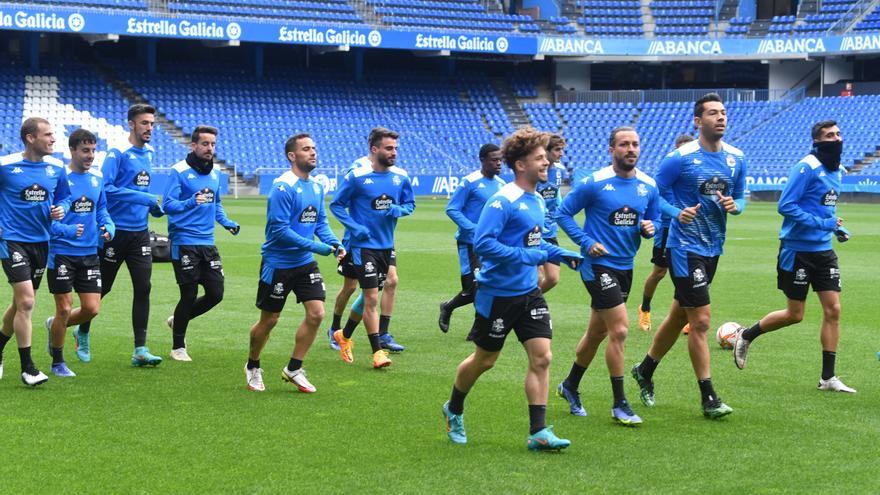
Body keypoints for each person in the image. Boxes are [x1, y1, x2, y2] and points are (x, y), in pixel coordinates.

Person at [441, 128, 581, 450]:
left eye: (546, 156)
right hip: (497, 295)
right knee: (485, 360)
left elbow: (535, 242)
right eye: (540, 157)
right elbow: (484, 243)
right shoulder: (503, 200)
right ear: (520, 164)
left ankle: (539, 432)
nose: (547, 162)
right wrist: (526, 255)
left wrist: (561, 254)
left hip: (529, 291)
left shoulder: (535, 201)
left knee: (542, 357)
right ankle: (454, 408)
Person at [630, 93, 746, 419]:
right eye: (712, 113)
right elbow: (656, 194)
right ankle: (709, 397)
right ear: (698, 121)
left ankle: (645, 369)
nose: (720, 117)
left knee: (680, 315)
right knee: (701, 321)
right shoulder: (679, 158)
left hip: (713, 247)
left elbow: (740, 196)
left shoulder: (736, 158)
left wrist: (736, 206)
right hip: (683, 247)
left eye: (723, 112)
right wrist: (675, 212)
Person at [733, 120, 856, 393]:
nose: (836, 139)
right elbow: (785, 206)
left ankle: (828, 378)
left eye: (838, 134)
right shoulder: (806, 167)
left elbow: (825, 213)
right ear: (817, 141)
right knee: (795, 314)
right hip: (796, 250)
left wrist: (837, 229)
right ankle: (747, 335)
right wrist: (824, 224)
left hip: (823, 251)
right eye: (829, 135)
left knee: (833, 310)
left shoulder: (838, 171)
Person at [555, 127, 660, 425]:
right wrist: (586, 243)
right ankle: (620, 403)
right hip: (597, 266)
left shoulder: (648, 186)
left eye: (635, 144)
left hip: (625, 266)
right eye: (624, 144)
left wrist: (649, 228)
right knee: (620, 331)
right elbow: (563, 213)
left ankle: (570, 385)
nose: (631, 149)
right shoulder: (594, 183)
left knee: (597, 333)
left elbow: (655, 220)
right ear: (611, 149)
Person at [244, 133, 343, 393]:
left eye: (314, 148)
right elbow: (279, 231)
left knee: (317, 313)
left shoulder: (317, 186)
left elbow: (320, 222)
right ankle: (253, 366)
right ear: (292, 156)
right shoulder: (283, 187)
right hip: (278, 263)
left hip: (304, 263)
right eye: (306, 149)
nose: (313, 153)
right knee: (270, 320)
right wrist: (317, 247)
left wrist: (335, 244)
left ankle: (294, 368)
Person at [76, 104, 164, 366]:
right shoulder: (117, 153)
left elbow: (140, 191)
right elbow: (108, 189)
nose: (149, 128)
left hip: (140, 234)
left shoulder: (148, 153)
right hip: (114, 233)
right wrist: (143, 197)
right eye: (144, 123)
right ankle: (81, 331)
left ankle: (140, 349)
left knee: (144, 287)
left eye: (152, 123)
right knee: (102, 288)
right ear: (131, 124)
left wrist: (152, 207)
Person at [329, 128, 415, 369]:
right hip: (361, 246)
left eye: (396, 148)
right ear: (374, 149)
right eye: (389, 148)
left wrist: (401, 210)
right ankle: (377, 351)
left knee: (370, 297)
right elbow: (336, 205)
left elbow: (410, 203)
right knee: (370, 298)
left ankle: (343, 336)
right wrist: (354, 227)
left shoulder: (401, 177)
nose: (394, 153)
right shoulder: (357, 177)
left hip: (385, 246)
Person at [0, 117, 70, 386]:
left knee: (20, 303)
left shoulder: (56, 168)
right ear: (31, 138)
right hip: (12, 240)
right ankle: (28, 367)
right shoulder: (6, 166)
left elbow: (63, 196)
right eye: (48, 134)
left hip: (42, 241)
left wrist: (60, 208)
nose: (53, 139)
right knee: (27, 301)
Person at [162, 125, 239, 362]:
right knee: (189, 294)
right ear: (193, 145)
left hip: (207, 242)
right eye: (205, 144)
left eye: (213, 144)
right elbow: (168, 204)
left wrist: (226, 222)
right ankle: (178, 346)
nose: (210, 149)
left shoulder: (215, 173)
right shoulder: (179, 171)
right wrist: (190, 203)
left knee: (216, 293)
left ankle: (178, 320)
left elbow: (215, 203)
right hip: (184, 241)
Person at [44, 129, 114, 376]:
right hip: (61, 253)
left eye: (94, 150)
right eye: (85, 150)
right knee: (64, 308)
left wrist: (109, 226)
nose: (91, 156)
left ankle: (55, 326)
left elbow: (102, 209)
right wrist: (67, 230)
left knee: (92, 309)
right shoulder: (59, 178)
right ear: (72, 150)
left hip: (89, 253)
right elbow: (47, 221)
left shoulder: (97, 178)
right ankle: (58, 362)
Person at [437, 143, 504, 333]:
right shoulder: (470, 182)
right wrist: (473, 229)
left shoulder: (501, 184)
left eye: (500, 160)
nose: (498, 163)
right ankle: (449, 308)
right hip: (470, 243)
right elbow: (452, 208)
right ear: (483, 160)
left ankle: (476, 329)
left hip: (492, 244)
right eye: (494, 160)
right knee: (472, 287)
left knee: (483, 286)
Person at [637, 134, 695, 333]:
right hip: (667, 228)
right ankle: (644, 308)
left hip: (690, 229)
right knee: (659, 272)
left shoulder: (695, 173)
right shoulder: (668, 172)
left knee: (687, 273)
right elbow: (658, 201)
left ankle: (687, 316)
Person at [536, 134, 566, 293]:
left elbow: (556, 193)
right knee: (536, 277)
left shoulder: (560, 170)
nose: (561, 153)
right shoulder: (535, 169)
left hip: (551, 230)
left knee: (553, 278)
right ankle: (529, 307)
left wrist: (562, 210)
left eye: (562, 150)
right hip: (534, 231)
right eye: (557, 149)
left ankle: (526, 303)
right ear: (545, 151)